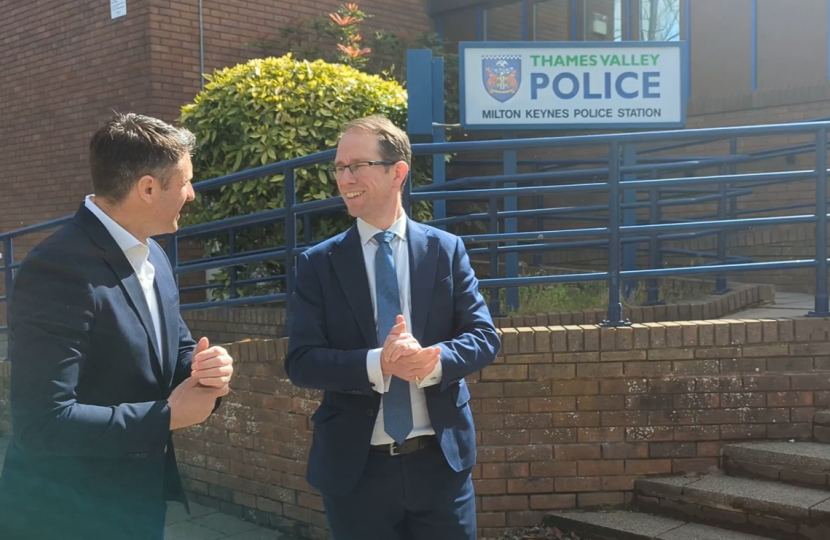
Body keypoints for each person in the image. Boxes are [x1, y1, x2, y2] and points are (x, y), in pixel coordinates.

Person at [0, 113, 235, 540]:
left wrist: (204, 368)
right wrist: (166, 416)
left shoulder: (155, 257)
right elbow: (42, 422)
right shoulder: (56, 269)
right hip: (65, 516)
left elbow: (174, 348)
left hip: (137, 505)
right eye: (184, 181)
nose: (192, 193)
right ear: (147, 188)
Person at [285, 115, 500, 540]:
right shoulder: (318, 263)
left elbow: (483, 337)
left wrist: (431, 361)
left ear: (397, 171)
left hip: (440, 466)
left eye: (357, 166)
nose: (344, 178)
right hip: (356, 470)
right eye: (339, 168)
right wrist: (377, 364)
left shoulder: (445, 250)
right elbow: (301, 362)